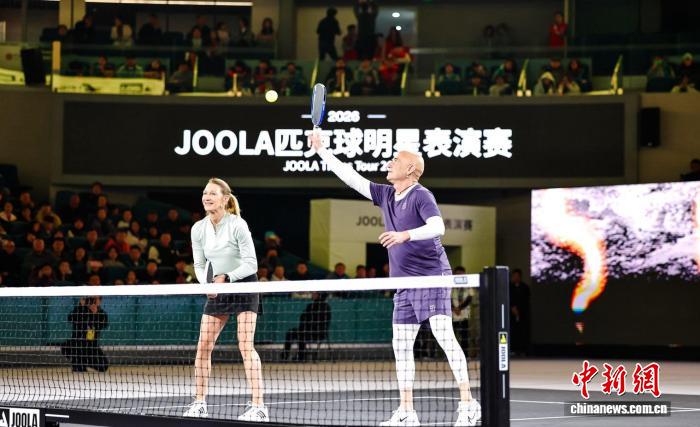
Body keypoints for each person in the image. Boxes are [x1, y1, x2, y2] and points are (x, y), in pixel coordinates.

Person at [309, 133, 481, 426]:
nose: (389, 163)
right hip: (404, 285)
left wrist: (405, 235)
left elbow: (438, 227)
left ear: (411, 169)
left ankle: (468, 403)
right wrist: (322, 151)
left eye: (395, 160)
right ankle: (406, 411)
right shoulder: (387, 195)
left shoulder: (421, 195)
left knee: (444, 336)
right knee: (401, 346)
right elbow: (351, 178)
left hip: (431, 278)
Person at [183, 178, 267, 421]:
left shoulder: (238, 224)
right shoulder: (198, 229)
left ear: (225, 198)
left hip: (243, 285)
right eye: (204, 193)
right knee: (203, 346)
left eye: (212, 193)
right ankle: (199, 403)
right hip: (218, 287)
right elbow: (199, 264)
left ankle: (259, 406)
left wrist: (227, 277)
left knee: (245, 345)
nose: (206, 197)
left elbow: (251, 264)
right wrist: (207, 284)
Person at [61, 296, 109, 372]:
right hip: (77, 345)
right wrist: (81, 306)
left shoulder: (101, 313)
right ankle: (78, 362)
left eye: (95, 300)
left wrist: (95, 313)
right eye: (90, 299)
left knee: (103, 365)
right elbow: (70, 318)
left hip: (91, 347)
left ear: (99, 301)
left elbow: (104, 324)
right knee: (66, 347)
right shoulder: (80, 311)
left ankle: (82, 362)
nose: (92, 302)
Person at [281, 292, 331, 362]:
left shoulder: (325, 307)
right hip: (307, 331)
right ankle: (285, 356)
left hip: (318, 333)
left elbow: (320, 322)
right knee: (291, 332)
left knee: (301, 334)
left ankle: (301, 357)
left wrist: (308, 325)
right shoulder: (311, 306)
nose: (312, 294)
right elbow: (303, 318)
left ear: (319, 295)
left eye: (315, 293)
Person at [451, 266, 472, 354]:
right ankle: (453, 354)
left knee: (464, 337)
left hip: (464, 315)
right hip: (453, 315)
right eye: (457, 274)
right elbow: (448, 298)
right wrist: (453, 308)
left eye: (461, 274)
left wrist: (459, 308)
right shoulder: (450, 285)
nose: (459, 275)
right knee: (452, 337)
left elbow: (469, 298)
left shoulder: (468, 285)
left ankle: (465, 355)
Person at [509, 269, 530, 356]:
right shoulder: (509, 287)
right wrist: (512, 307)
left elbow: (526, 300)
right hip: (511, 314)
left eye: (518, 276)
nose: (516, 278)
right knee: (512, 331)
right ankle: (512, 349)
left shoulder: (525, 287)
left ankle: (522, 350)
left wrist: (519, 311)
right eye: (514, 276)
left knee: (522, 332)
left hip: (522, 314)